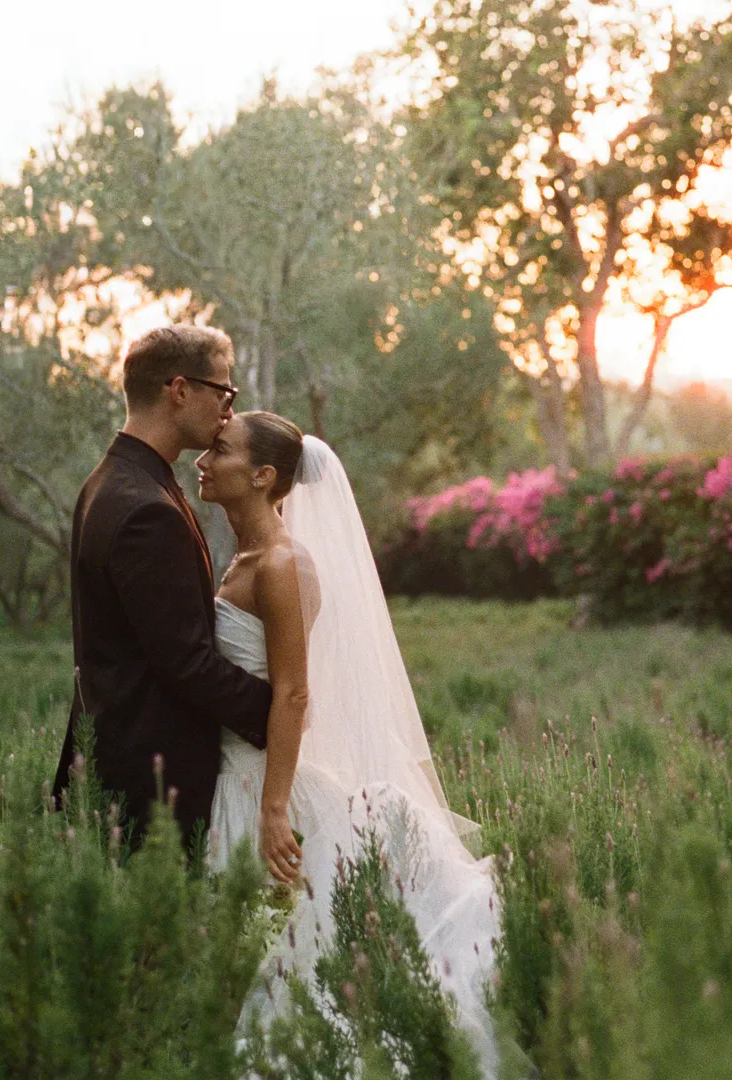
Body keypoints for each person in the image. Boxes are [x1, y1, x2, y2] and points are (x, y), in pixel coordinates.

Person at [195, 411, 502, 1076]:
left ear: (262, 475)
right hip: (229, 775)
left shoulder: (282, 564)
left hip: (261, 787)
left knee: (289, 971)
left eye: (219, 450)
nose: (202, 459)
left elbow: (295, 694)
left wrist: (274, 809)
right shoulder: (241, 557)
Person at [50, 325, 273, 846]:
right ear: (179, 390)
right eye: (223, 391)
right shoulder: (147, 508)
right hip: (151, 784)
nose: (228, 410)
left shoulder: (109, 482)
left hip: (120, 763)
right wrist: (282, 710)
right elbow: (186, 663)